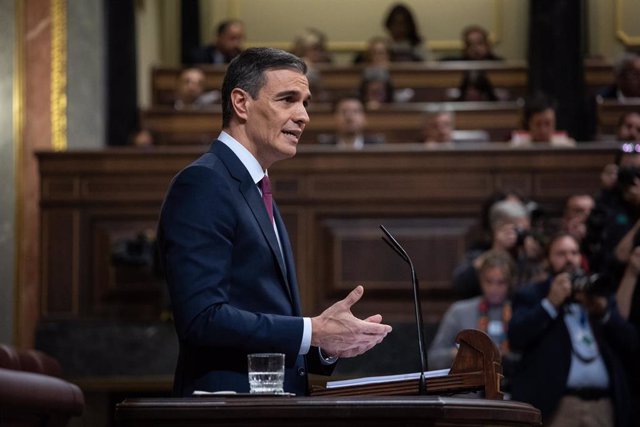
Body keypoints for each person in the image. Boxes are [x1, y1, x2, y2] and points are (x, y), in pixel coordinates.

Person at [157, 47, 392, 397]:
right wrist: (312, 330)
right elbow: (202, 319)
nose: (303, 116)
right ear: (241, 103)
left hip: (269, 406)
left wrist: (326, 345)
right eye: (288, 99)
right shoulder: (204, 183)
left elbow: (260, 316)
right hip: (224, 411)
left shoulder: (254, 187)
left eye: (305, 103)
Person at [509, 232, 638, 427]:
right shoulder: (533, 294)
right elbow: (516, 337)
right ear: (548, 260)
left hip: (602, 406)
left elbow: (631, 343)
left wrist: (603, 313)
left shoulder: (596, 293)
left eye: (574, 253)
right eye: (561, 254)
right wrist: (550, 304)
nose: (569, 259)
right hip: (558, 406)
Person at [429, 249, 515, 370]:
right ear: (480, 280)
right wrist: (459, 354)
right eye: (489, 281)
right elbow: (433, 359)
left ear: (510, 282)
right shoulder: (459, 311)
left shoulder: (520, 311)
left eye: (501, 282)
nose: (494, 288)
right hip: (470, 384)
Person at [318, 95, 384, 148]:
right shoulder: (324, 147)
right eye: (344, 112)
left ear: (364, 118)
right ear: (334, 118)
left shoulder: (376, 147)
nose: (349, 117)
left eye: (355, 112)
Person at [510, 95, 575, 147]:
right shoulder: (516, 149)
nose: (543, 130)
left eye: (548, 123)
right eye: (538, 124)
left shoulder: (567, 148)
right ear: (529, 124)